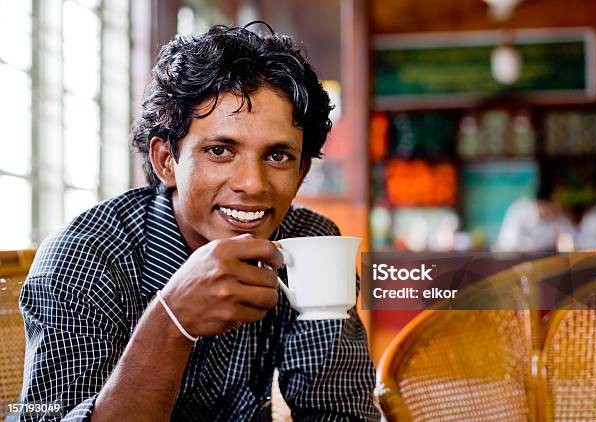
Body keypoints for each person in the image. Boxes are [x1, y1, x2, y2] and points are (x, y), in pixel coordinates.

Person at [14, 24, 377, 421]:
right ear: (166, 161)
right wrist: (171, 322)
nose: (252, 185)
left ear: (302, 170)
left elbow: (339, 412)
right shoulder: (84, 259)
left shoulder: (310, 244)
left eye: (277, 156)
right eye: (220, 150)